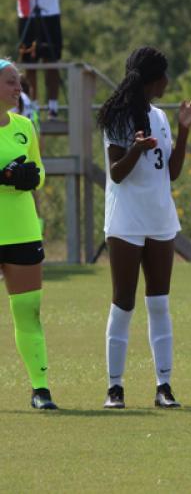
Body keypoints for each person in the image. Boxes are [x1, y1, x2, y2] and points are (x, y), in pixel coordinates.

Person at [97, 47, 191, 409]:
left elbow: (170, 172)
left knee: (159, 303)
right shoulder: (116, 117)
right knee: (123, 303)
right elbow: (116, 174)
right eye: (164, 76)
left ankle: (164, 386)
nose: (168, 82)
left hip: (159, 218)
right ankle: (115, 388)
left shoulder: (160, 116)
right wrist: (136, 149)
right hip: (125, 220)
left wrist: (184, 129)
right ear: (151, 79)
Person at [0, 58, 57, 409]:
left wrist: (30, 177)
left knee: (29, 312)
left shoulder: (25, 126)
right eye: (10, 82)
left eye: (19, 82)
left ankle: (41, 389)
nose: (18, 88)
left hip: (22, 230)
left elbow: (40, 171)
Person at [17, 0, 62, 119]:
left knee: (51, 61)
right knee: (29, 62)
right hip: (26, 13)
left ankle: (53, 108)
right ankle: (32, 107)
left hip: (50, 12)